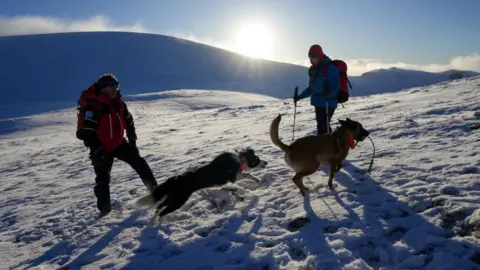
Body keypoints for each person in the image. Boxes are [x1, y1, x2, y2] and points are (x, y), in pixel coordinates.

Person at [76, 74, 158, 215]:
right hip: (101, 149)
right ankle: (104, 210)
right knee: (103, 180)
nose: (115, 89)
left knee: (139, 163)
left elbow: (129, 121)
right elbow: (87, 133)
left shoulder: (118, 103)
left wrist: (132, 140)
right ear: (103, 89)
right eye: (112, 87)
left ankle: (156, 191)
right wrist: (98, 148)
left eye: (116, 86)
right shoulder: (93, 107)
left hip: (119, 144)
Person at [294, 44, 341, 135]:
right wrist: (300, 96)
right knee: (322, 126)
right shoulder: (313, 69)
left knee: (323, 128)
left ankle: (326, 147)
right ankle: (330, 145)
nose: (312, 59)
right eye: (310, 56)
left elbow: (336, 86)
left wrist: (329, 94)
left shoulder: (330, 67)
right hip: (318, 102)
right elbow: (312, 88)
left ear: (320, 55)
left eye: (314, 56)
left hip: (328, 102)